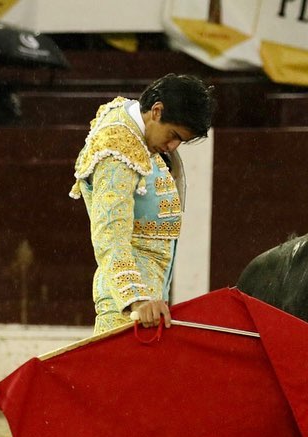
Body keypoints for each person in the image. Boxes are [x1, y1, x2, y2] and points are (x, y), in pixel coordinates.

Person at [69, 73, 215, 335]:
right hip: (128, 308)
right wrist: (136, 298)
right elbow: (110, 236)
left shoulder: (134, 128)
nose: (173, 146)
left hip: (147, 302)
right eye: (173, 135)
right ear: (156, 111)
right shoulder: (118, 147)